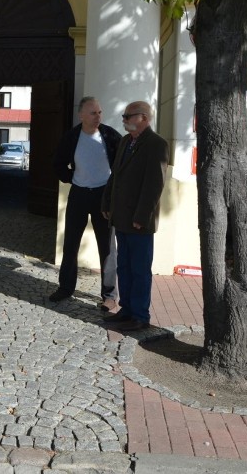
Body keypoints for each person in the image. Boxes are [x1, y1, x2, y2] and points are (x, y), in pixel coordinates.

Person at [101, 101, 168, 331]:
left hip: (139, 222)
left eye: (128, 116)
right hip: (121, 217)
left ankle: (140, 315)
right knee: (124, 267)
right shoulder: (125, 142)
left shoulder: (156, 144)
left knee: (139, 269)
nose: (124, 119)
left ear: (144, 118)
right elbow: (115, 175)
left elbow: (154, 185)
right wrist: (107, 201)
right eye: (124, 115)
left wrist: (142, 216)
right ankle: (127, 310)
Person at [50, 97, 122, 311]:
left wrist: (113, 191)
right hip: (79, 194)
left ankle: (109, 295)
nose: (98, 116)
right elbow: (58, 163)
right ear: (81, 115)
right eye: (93, 113)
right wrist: (72, 178)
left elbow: (122, 165)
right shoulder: (72, 137)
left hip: (104, 196)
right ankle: (65, 288)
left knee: (108, 247)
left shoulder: (110, 136)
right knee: (71, 243)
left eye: (100, 112)